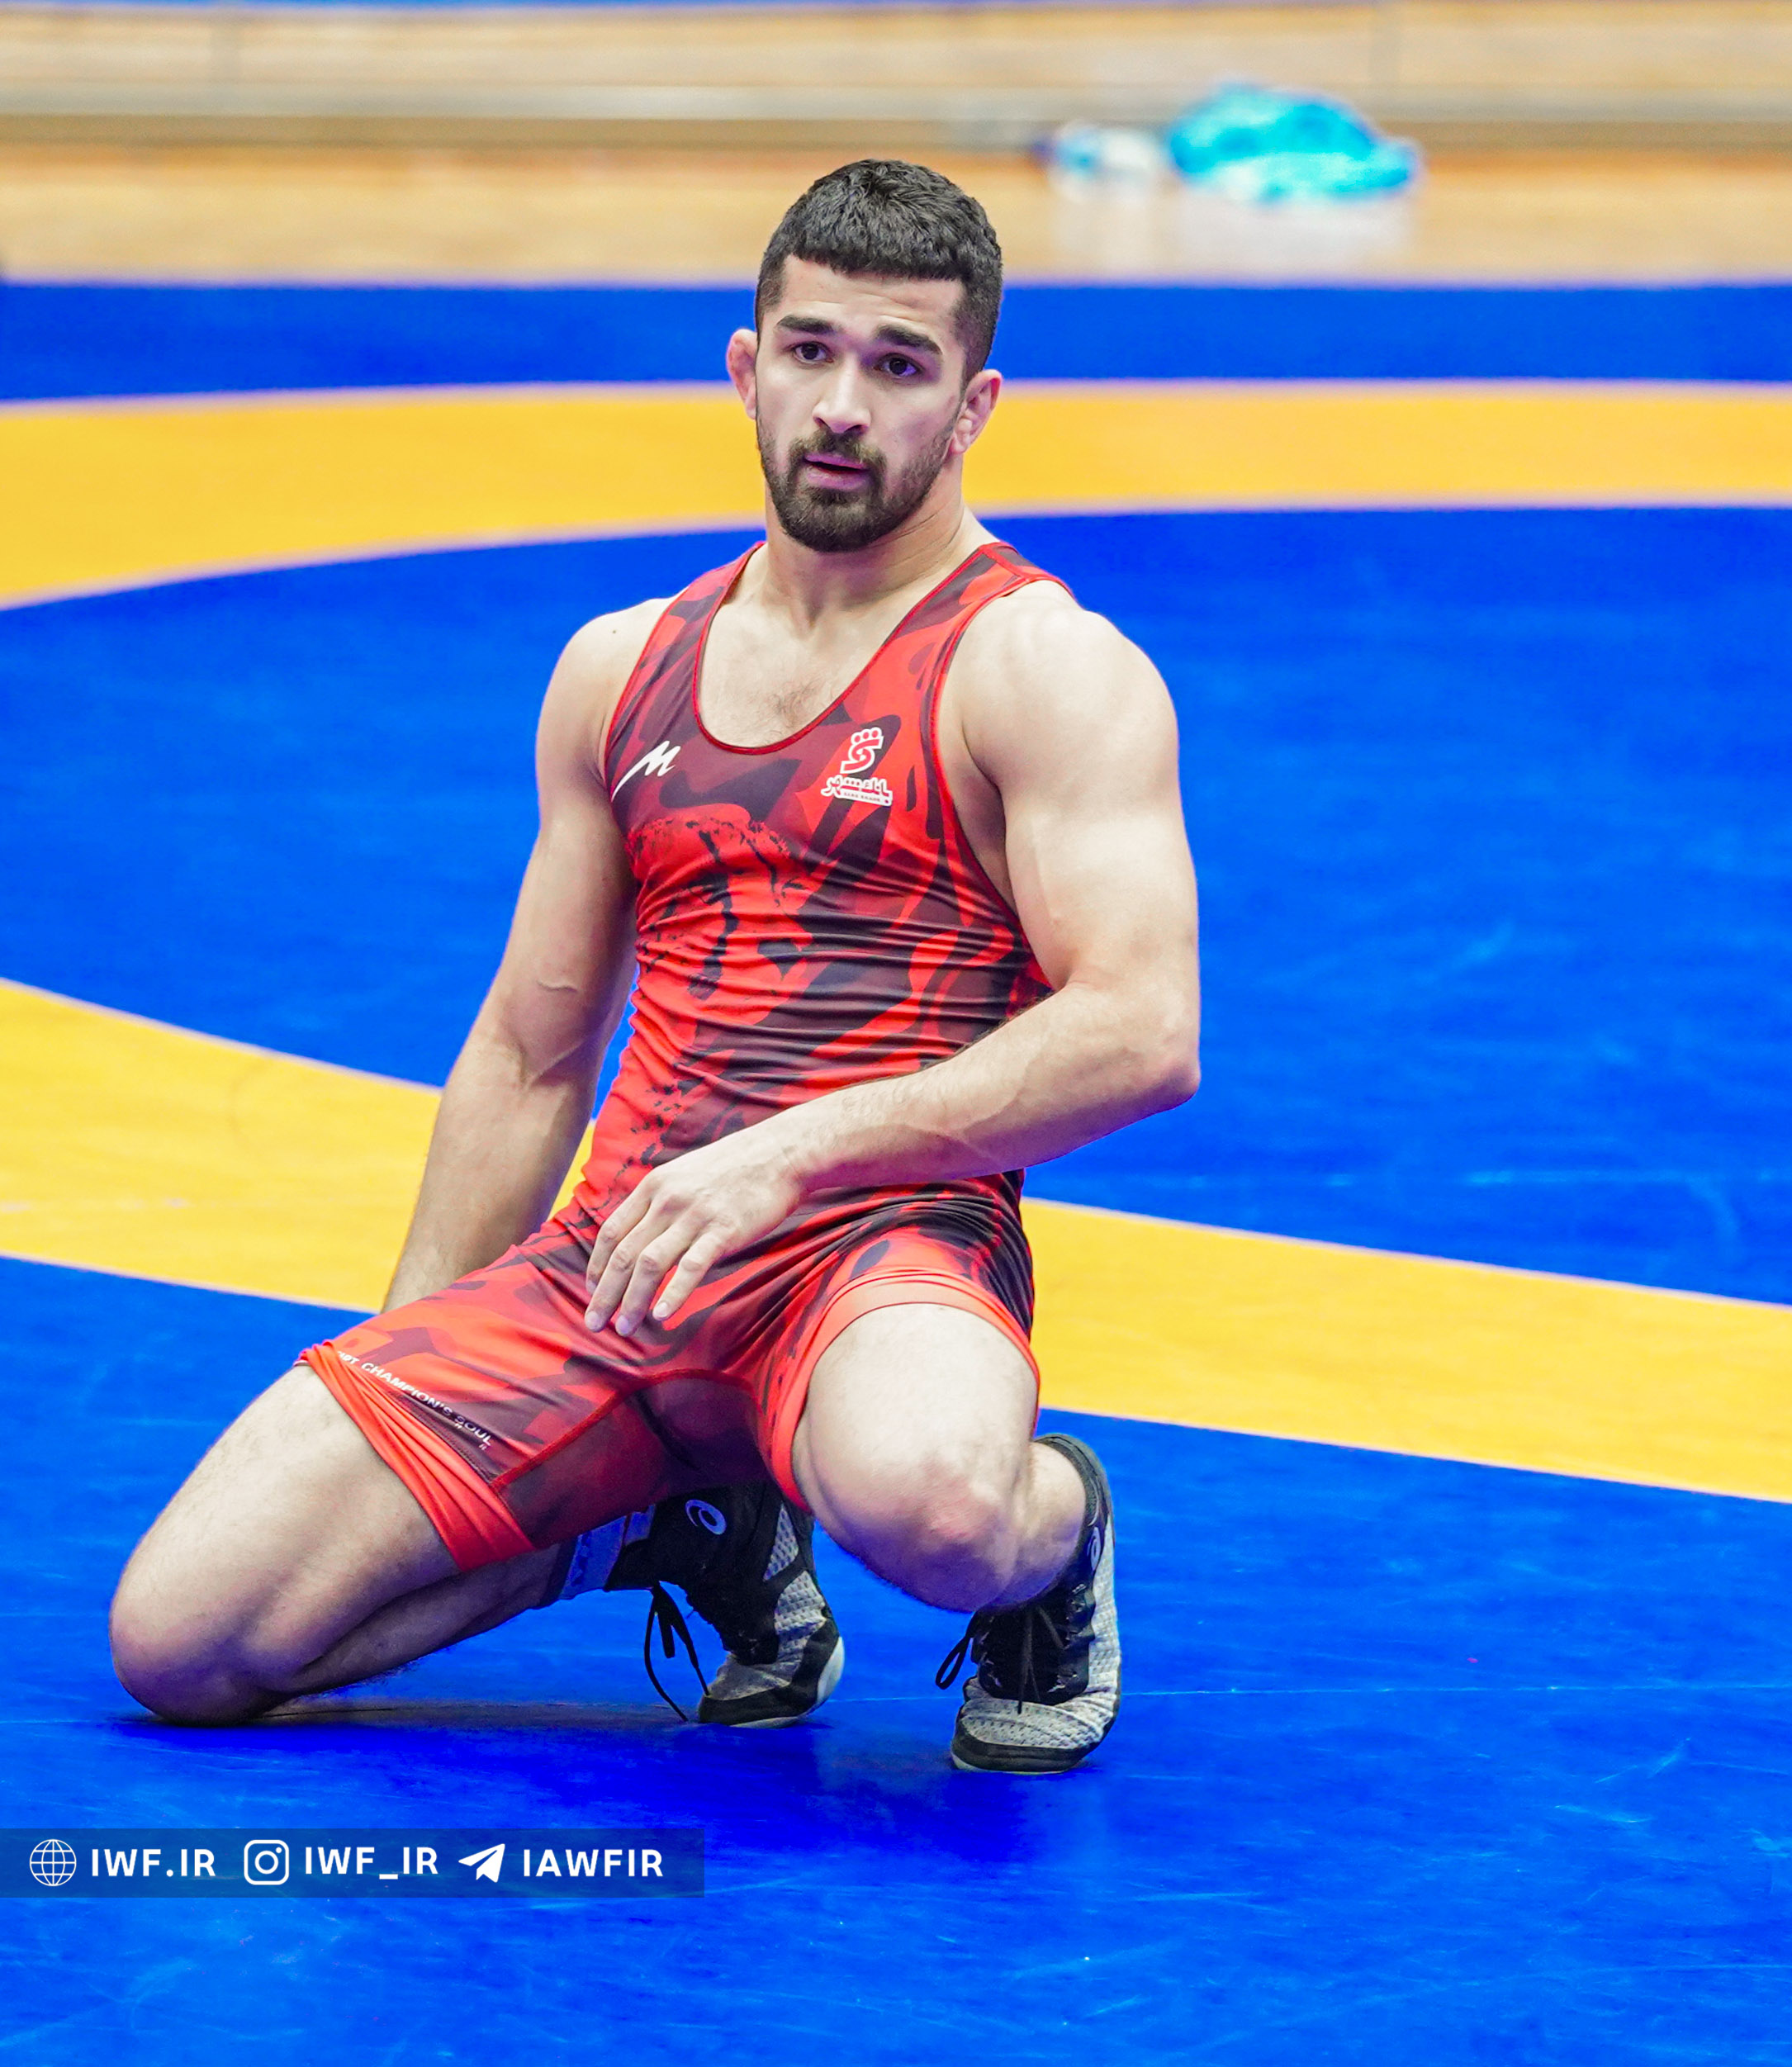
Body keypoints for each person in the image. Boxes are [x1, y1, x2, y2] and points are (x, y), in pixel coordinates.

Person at [107, 159, 1199, 1775]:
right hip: (625, 1260)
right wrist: (417, 1383)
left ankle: (1057, 1550)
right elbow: (529, 1054)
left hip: (880, 1251)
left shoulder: (1040, 667)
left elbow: (1142, 1029)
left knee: (938, 1505)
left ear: (973, 407)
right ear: (747, 368)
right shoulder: (619, 670)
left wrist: (791, 1153)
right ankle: (681, 1526)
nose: (844, 406)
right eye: (810, 352)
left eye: (899, 366)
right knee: (183, 1644)